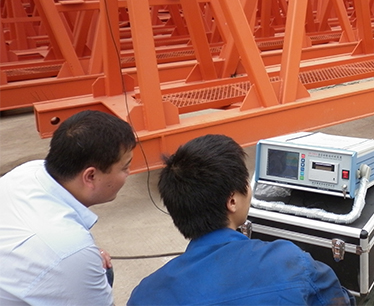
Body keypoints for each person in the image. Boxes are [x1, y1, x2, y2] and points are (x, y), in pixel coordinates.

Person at [128, 134, 355, 306]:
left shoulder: (144, 294)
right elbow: (339, 301)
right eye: (246, 182)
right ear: (232, 201)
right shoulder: (291, 262)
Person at [0, 109, 136, 306]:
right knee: (99, 269)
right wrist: (79, 259)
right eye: (125, 167)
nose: (128, 173)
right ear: (90, 176)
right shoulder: (70, 248)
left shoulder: (27, 172)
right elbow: (68, 251)